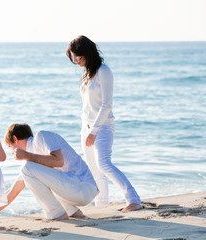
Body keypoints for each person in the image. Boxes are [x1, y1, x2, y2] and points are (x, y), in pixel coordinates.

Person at [66, 35, 142, 212]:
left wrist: (94, 131)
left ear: (87, 52)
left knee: (104, 164)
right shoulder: (87, 74)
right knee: (94, 171)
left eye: (77, 56)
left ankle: (133, 199)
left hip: (103, 127)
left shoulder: (103, 71)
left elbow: (107, 104)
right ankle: (102, 206)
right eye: (73, 57)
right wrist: (87, 129)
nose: (75, 60)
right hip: (86, 128)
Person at [0, 123, 99, 220]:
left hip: (85, 187)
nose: (11, 151)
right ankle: (72, 211)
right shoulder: (31, 163)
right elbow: (13, 192)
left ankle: (56, 214)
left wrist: (27, 156)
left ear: (15, 139)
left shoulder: (42, 136)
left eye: (10, 147)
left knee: (26, 168)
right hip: (78, 192)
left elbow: (59, 161)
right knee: (30, 172)